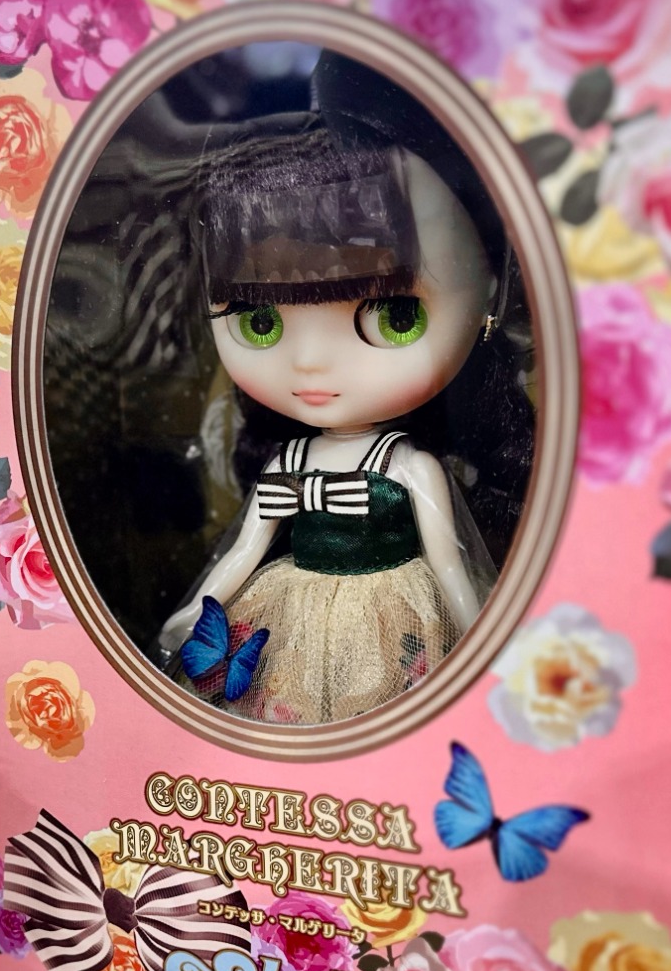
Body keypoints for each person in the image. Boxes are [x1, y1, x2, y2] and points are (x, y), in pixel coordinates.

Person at [159, 57, 505, 725]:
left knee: (384, 718)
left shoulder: (407, 465)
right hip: (293, 611)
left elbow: (451, 565)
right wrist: (195, 610)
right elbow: (244, 550)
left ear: (492, 290)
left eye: (395, 317)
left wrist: (479, 638)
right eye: (260, 322)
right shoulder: (288, 463)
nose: (311, 364)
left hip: (392, 614)